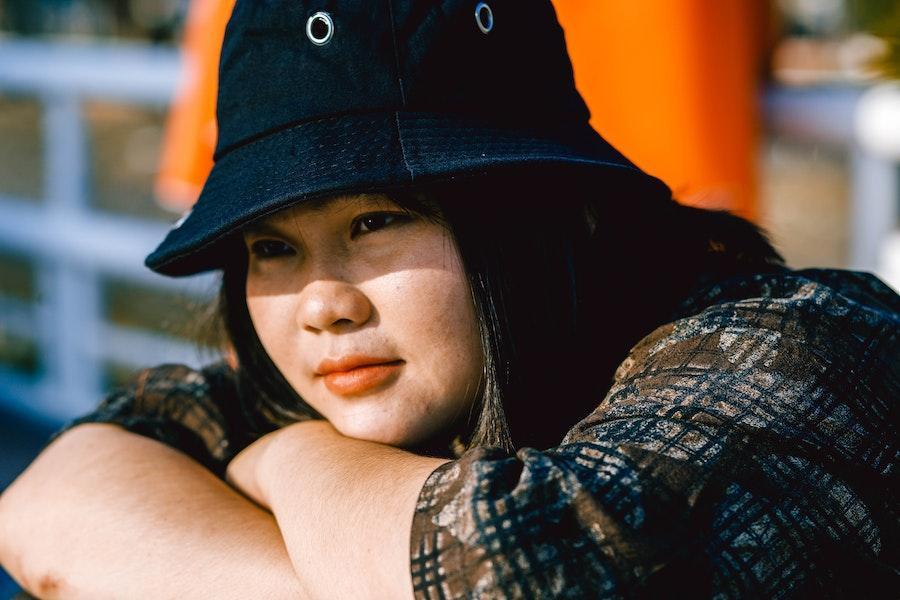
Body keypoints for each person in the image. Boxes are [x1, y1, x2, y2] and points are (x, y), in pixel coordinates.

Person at [1, 1, 897, 598]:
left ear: (547, 215)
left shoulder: (802, 349)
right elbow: (48, 501)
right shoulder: (374, 380)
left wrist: (291, 464)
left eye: (376, 221)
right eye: (272, 247)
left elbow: (528, 570)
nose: (321, 305)